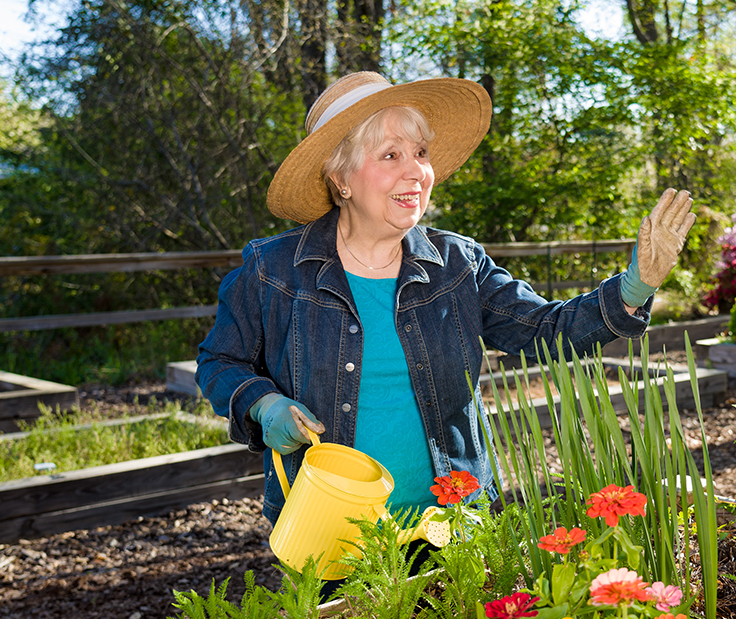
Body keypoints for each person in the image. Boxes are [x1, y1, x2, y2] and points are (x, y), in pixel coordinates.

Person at [196, 71, 695, 536]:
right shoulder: (273, 269)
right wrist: (264, 404)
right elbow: (221, 361)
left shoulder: (458, 263)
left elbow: (543, 331)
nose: (416, 171)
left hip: (452, 526)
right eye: (391, 156)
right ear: (341, 178)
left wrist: (634, 286)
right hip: (329, 531)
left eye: (421, 152)